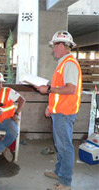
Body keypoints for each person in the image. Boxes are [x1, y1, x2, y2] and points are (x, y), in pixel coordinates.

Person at [35, 31, 82, 190]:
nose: (53, 49)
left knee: (65, 147)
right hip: (59, 111)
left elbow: (70, 89)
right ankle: (59, 172)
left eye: (54, 46)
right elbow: (59, 90)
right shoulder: (64, 63)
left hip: (65, 113)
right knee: (60, 144)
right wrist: (50, 107)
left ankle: (65, 182)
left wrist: (47, 89)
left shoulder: (69, 64)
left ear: (61, 45)